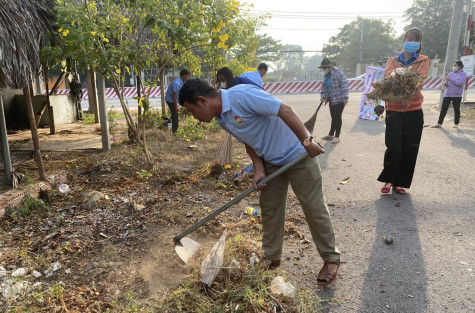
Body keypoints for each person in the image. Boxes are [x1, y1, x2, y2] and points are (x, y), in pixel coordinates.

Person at [179, 79, 342, 286]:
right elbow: (249, 140)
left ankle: (331, 258)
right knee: (269, 208)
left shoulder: (243, 95)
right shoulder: (222, 118)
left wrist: (307, 142)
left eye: (192, 111)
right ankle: (272, 255)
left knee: (313, 206)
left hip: (299, 154)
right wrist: (259, 169)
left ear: (202, 100)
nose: (195, 117)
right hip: (271, 161)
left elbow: (285, 110)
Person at [378, 28, 430, 195]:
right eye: (409, 38)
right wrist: (402, 78)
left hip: (414, 111)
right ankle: (389, 179)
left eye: (416, 39)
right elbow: (388, 78)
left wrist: (400, 78)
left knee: (410, 148)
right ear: (403, 41)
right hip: (393, 110)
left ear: (419, 43)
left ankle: (400, 182)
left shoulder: (423, 60)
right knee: (393, 147)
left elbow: (418, 82)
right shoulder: (392, 60)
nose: (411, 41)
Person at [319, 57, 349, 144]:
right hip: (331, 99)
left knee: (337, 117)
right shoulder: (326, 75)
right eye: (322, 68)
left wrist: (345, 97)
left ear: (329, 67)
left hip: (339, 99)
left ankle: (337, 136)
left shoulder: (338, 73)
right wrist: (323, 96)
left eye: (324, 68)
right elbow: (324, 86)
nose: (323, 70)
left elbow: (344, 85)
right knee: (333, 117)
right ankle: (331, 134)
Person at [432, 60, 466, 128]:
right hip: (448, 94)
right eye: (453, 65)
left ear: (460, 66)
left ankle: (456, 123)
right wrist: (446, 83)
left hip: (456, 95)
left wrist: (451, 80)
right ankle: (439, 123)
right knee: (443, 109)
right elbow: (447, 82)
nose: (454, 67)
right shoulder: (451, 73)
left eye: (455, 65)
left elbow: (460, 83)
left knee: (456, 109)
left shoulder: (463, 73)